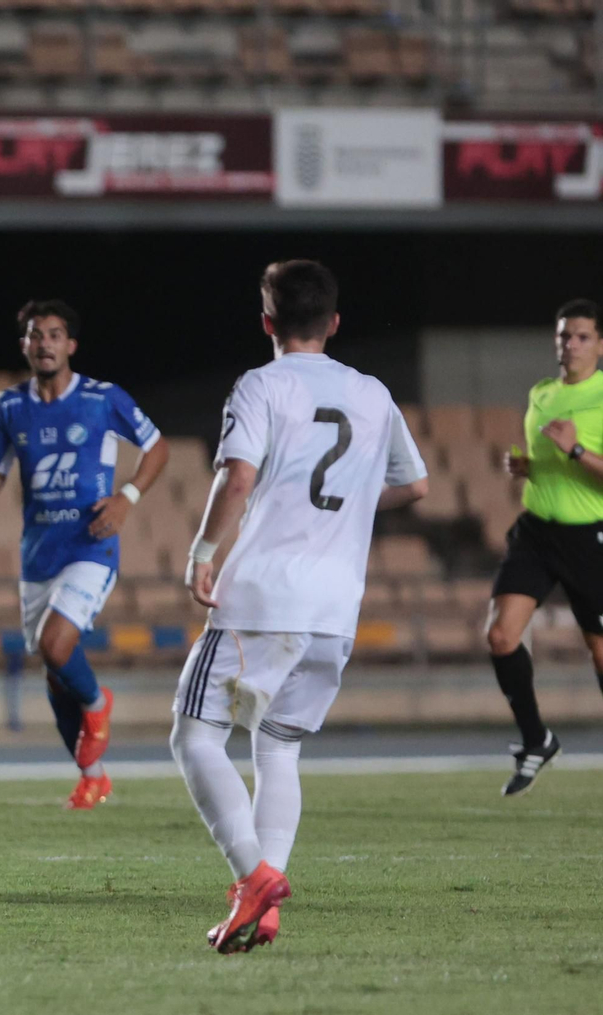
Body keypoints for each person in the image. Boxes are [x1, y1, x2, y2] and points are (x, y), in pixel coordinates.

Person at [173, 260, 428, 954]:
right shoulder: (372, 392)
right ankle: (265, 906)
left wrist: (202, 552)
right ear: (335, 322)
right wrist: (352, 504)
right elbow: (415, 485)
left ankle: (253, 876)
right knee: (278, 745)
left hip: (264, 598)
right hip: (334, 608)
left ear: (267, 321)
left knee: (195, 737)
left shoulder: (263, 384)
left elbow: (238, 476)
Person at [0, 299, 170, 810]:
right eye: (35, 335)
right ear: (24, 345)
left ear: (71, 345)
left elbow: (157, 447)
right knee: (54, 673)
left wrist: (127, 498)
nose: (45, 343)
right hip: (39, 554)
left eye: (55, 334)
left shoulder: (103, 399)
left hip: (90, 543)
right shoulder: (7, 407)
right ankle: (92, 778)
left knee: (56, 646)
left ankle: (98, 702)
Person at [487, 299, 603, 796]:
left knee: (600, 653)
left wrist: (576, 449)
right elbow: (548, 463)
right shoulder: (541, 393)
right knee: (500, 636)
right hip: (536, 532)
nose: (570, 344)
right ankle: (537, 740)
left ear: (600, 344)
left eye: (581, 336)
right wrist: (528, 468)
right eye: (563, 336)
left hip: (589, 536)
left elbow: (581, 463)